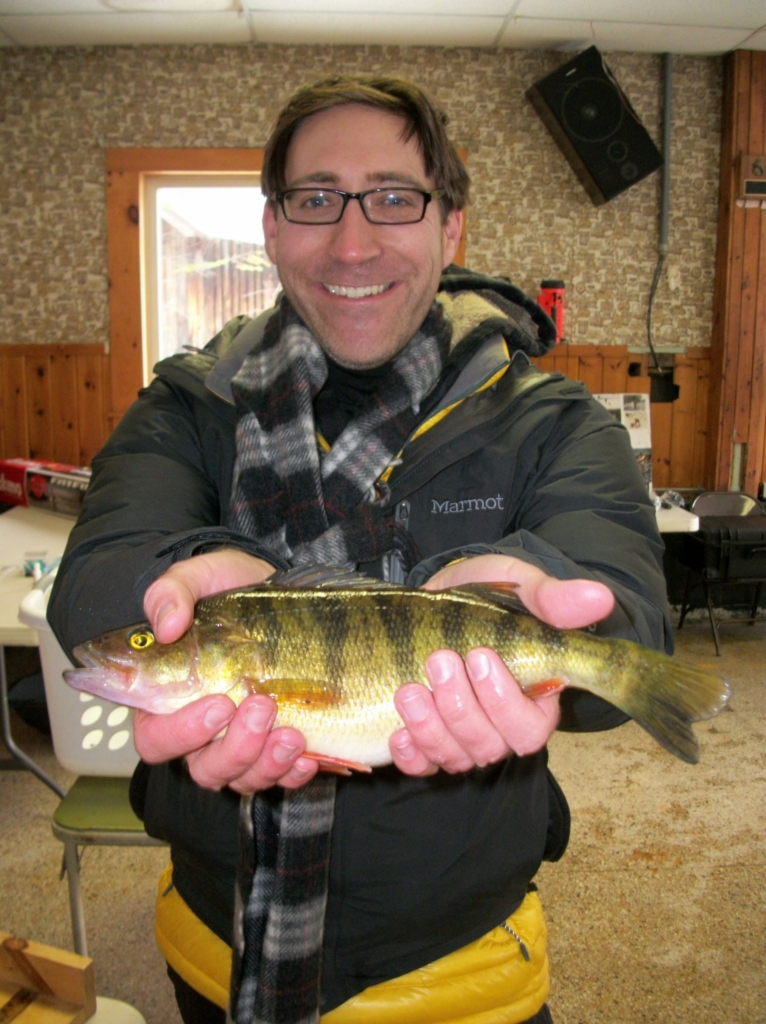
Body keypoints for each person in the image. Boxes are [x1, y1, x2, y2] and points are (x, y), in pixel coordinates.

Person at [48, 75, 671, 1024]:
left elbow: (627, 604)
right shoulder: (185, 402)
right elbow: (97, 580)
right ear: (270, 227)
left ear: (450, 227)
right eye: (315, 200)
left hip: (464, 964)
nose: (352, 239)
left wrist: (548, 602)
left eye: (393, 197)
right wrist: (169, 585)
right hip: (220, 942)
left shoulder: (556, 419)